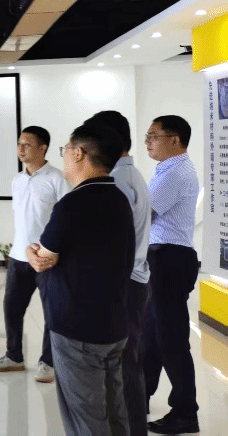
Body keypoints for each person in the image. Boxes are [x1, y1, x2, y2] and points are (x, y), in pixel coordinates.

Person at [27, 123, 133, 436]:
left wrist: (33, 253)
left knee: (85, 419)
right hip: (113, 324)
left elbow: (44, 257)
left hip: (77, 330)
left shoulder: (73, 203)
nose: (63, 156)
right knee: (115, 413)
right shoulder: (119, 198)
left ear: (78, 153)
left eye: (65, 149)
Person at [83, 111, 151, 436]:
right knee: (126, 363)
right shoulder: (128, 174)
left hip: (125, 283)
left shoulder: (119, 181)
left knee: (125, 366)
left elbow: (110, 241)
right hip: (133, 280)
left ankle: (133, 429)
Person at [0, 126, 66, 382]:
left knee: (51, 312)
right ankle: (14, 357)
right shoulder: (17, 180)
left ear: (43, 148)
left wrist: (55, 251)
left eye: (27, 145)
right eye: (19, 144)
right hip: (19, 257)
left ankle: (48, 362)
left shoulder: (57, 178)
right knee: (12, 308)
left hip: (47, 259)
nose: (20, 149)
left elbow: (66, 219)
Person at [142, 115, 201, 435]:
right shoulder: (167, 169)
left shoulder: (176, 173)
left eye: (154, 135)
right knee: (151, 335)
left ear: (175, 140)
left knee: (170, 339)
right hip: (162, 258)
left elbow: (143, 216)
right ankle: (139, 396)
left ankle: (185, 412)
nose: (147, 141)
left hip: (169, 260)